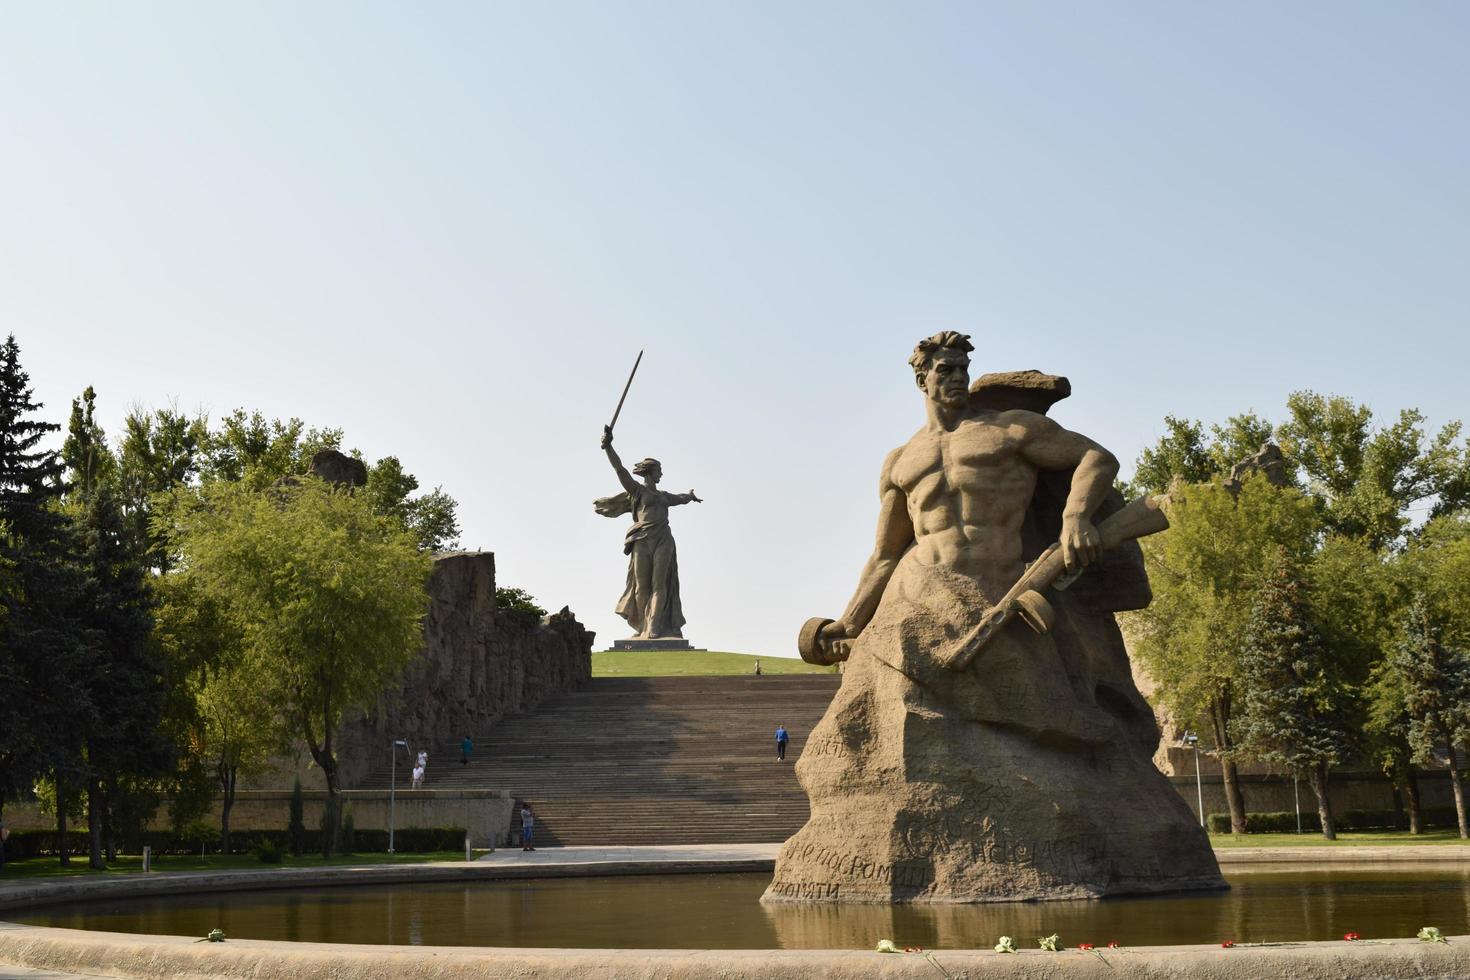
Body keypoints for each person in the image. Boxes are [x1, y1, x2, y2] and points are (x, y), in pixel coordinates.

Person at [594, 428, 702, 639]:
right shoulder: (637, 491)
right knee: (641, 587)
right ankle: (643, 624)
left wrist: (689, 496)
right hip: (641, 539)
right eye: (659, 470)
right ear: (650, 472)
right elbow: (620, 470)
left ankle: (654, 626)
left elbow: (680, 498)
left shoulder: (663, 496)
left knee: (659, 584)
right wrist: (608, 447)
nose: (661, 474)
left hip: (663, 540)